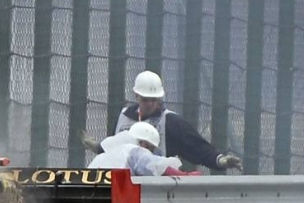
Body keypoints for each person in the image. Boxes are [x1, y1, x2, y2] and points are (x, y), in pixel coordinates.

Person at [81, 70, 243, 172]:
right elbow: (116, 152)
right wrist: (100, 147)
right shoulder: (123, 117)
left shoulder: (170, 122)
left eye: (154, 99)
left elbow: (196, 147)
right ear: (136, 96)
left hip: (155, 189)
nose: (151, 104)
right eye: (146, 99)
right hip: (124, 187)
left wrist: (220, 160)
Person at [88, 122, 200, 176]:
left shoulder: (103, 156)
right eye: (151, 149)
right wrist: (185, 176)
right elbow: (156, 166)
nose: (150, 153)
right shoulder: (133, 151)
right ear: (144, 144)